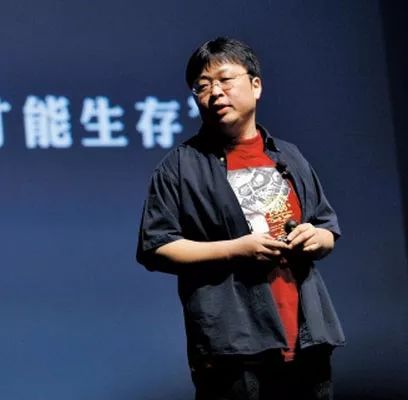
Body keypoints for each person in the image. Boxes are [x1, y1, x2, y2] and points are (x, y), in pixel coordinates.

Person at [136, 37, 345, 400]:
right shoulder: (179, 167)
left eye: (225, 79)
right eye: (202, 86)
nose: (215, 93)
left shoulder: (289, 157)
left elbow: (326, 227)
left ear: (255, 85)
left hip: (307, 337)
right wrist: (236, 249)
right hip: (233, 345)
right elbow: (157, 247)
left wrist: (317, 238)